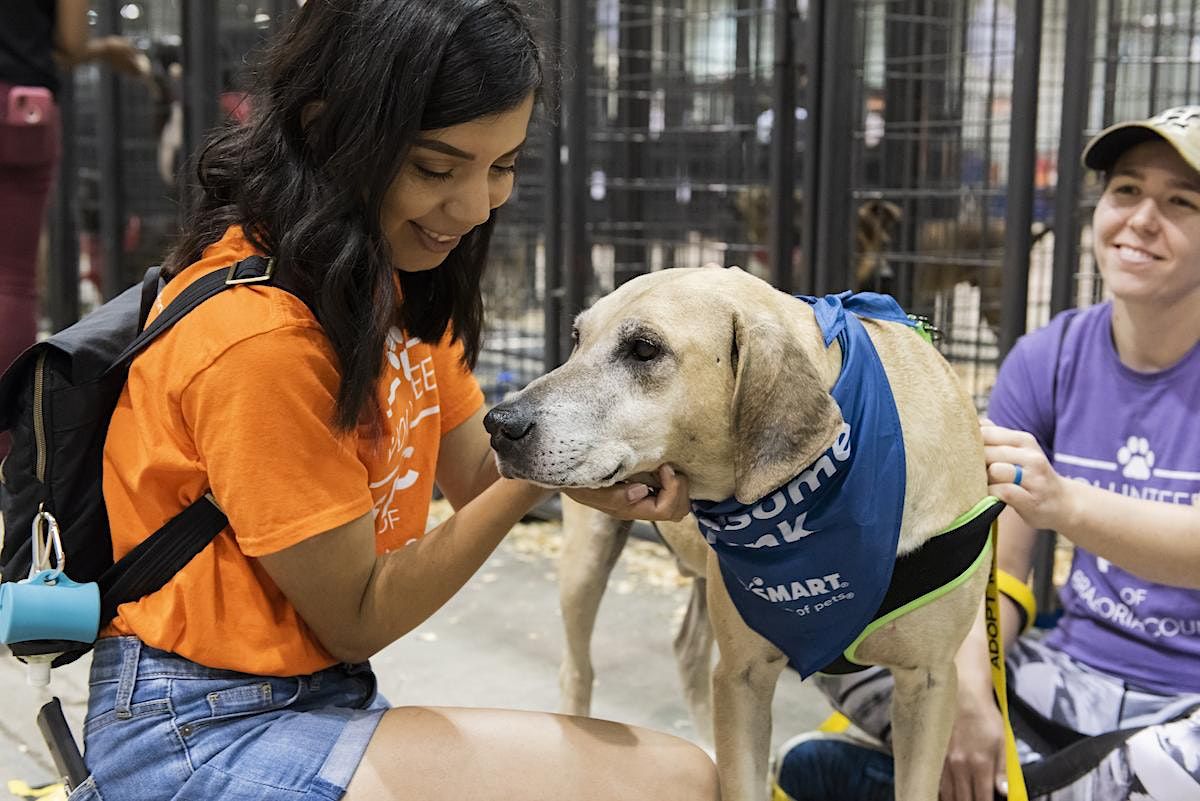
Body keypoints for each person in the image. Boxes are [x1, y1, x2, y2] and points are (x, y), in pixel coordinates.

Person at [71, 2, 718, 800]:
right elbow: (360, 610)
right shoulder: (259, 336)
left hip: (320, 694)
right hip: (197, 730)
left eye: (503, 165)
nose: (477, 205)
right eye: (438, 169)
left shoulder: (386, 279)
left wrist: (608, 466)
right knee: (676, 782)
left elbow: (479, 470)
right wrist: (540, 470)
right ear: (329, 129)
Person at [774, 105, 1200, 801]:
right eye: (1126, 191)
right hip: (1060, 680)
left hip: (1185, 706)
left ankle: (952, 780)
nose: (1142, 219)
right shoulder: (1048, 357)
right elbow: (992, 569)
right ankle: (1007, 772)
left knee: (1180, 758)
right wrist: (967, 690)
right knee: (843, 619)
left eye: (1181, 201)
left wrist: (1067, 503)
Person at [0, 0, 148, 460]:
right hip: (19, 108)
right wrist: (105, 49)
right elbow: (70, 43)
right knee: (12, 279)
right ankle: (5, 443)